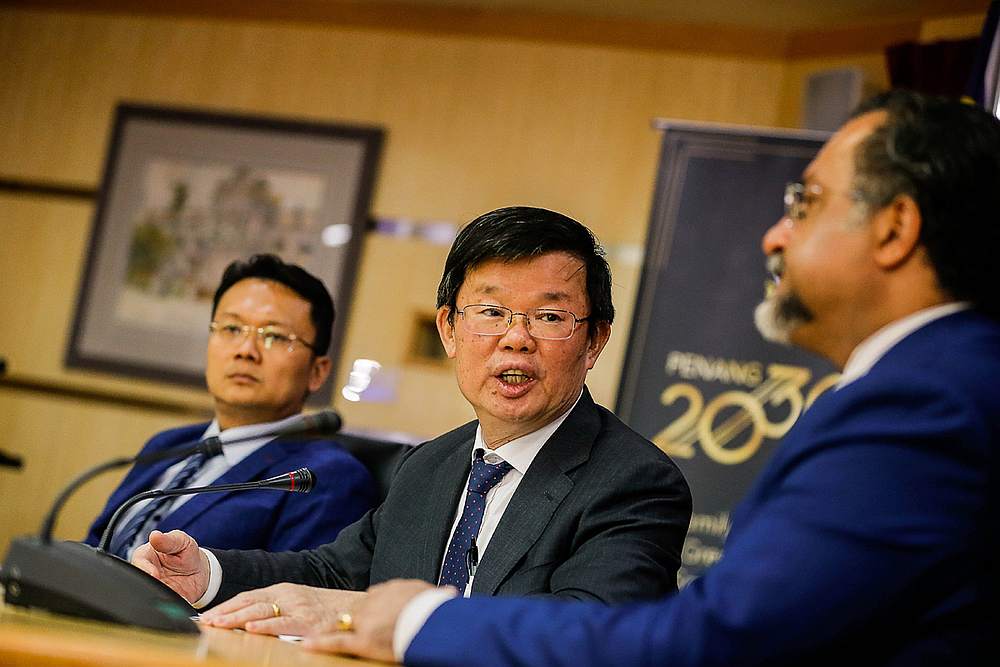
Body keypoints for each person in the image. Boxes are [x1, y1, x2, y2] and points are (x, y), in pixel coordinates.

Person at [303, 91, 1000, 665]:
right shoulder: (939, 380)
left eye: (805, 203)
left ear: (895, 228)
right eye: (490, 312)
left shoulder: (922, 402)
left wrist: (421, 622)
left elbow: (721, 640)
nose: (774, 236)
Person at [131, 206, 692, 631]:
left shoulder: (634, 482)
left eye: (548, 316)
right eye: (491, 312)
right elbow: (334, 574)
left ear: (594, 341)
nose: (515, 339)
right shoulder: (430, 465)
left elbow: (588, 631)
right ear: (449, 330)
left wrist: (383, 617)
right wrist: (208, 574)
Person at [85, 254, 376, 558]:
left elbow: (297, 585)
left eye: (274, 336)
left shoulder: (326, 478)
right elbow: (95, 546)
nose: (245, 350)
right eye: (232, 329)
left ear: (317, 372)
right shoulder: (169, 444)